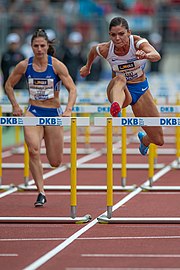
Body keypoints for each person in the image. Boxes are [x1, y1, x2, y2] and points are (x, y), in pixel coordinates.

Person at [5, 29, 77, 207]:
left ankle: (43, 184)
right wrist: (15, 105)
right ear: (31, 47)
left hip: (53, 114)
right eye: (35, 46)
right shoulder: (24, 65)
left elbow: (72, 89)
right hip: (33, 112)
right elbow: (8, 85)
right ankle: (41, 192)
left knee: (55, 161)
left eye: (42, 46)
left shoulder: (56, 66)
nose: (39, 49)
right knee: (33, 150)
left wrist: (68, 109)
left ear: (47, 46)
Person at [80, 16, 164, 156]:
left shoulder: (137, 42)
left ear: (129, 33)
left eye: (121, 34)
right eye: (113, 35)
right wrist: (87, 67)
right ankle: (116, 107)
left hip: (140, 89)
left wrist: (146, 55)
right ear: (109, 35)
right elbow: (93, 50)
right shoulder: (107, 49)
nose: (117, 38)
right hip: (118, 91)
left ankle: (145, 140)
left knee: (159, 139)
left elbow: (156, 55)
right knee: (120, 78)